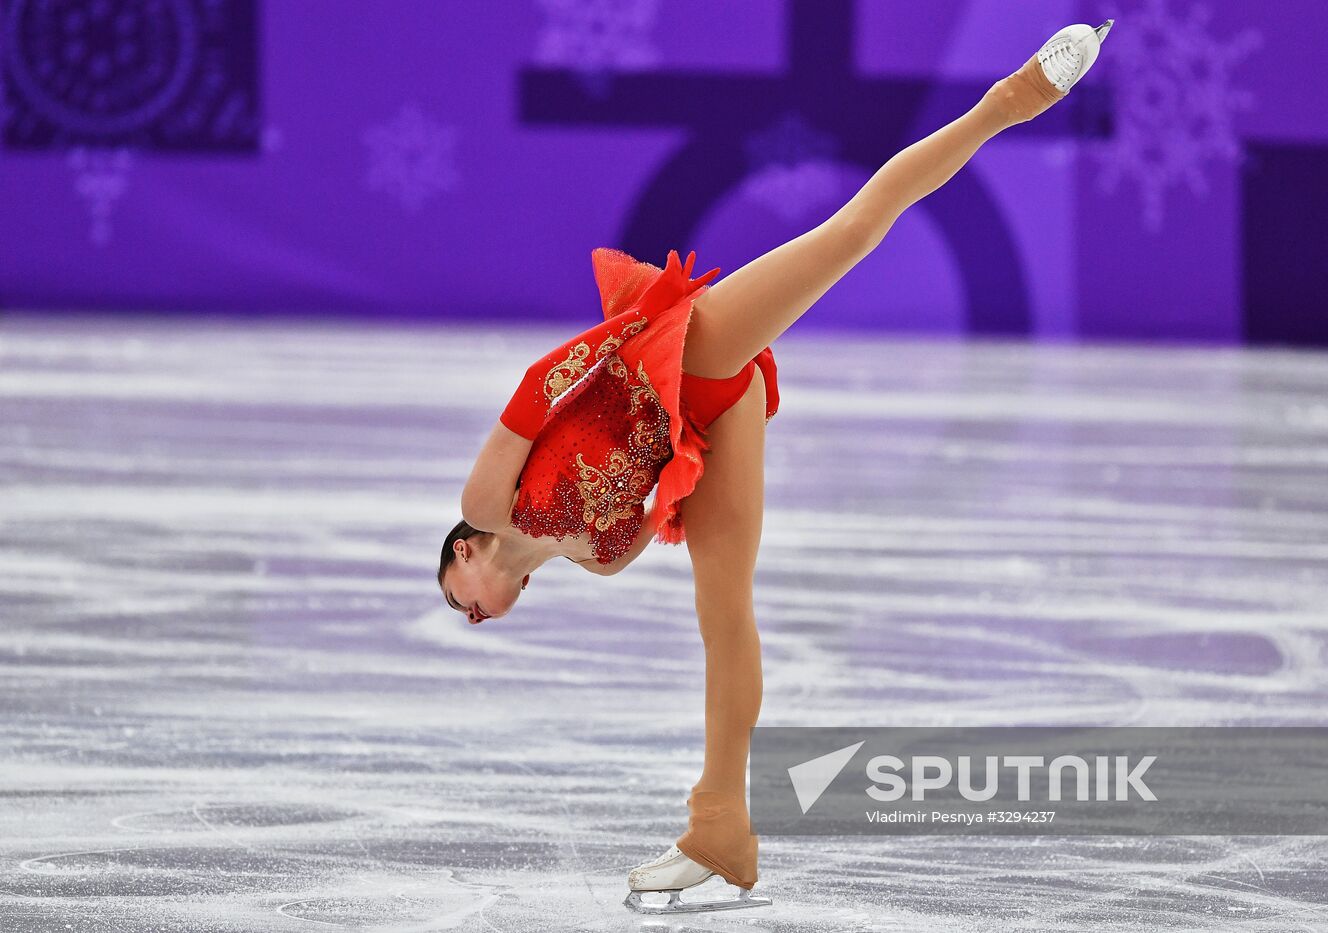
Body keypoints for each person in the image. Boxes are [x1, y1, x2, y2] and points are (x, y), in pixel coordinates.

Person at [438, 20, 1115, 914]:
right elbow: (657, 487)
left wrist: (646, 328)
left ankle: (1012, 98)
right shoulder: (598, 559)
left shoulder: (486, 496)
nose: (473, 615)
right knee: (726, 615)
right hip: (710, 422)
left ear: (462, 556)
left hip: (679, 349)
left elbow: (544, 383)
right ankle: (720, 826)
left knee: (851, 234)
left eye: (459, 601)